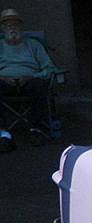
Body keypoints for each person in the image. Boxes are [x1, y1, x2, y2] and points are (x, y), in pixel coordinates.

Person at [0, 8, 57, 138]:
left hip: (29, 81)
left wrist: (31, 76)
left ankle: (36, 129)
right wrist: (2, 77)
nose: (12, 28)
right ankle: (2, 131)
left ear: (21, 27)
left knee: (40, 85)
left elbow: (49, 68)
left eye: (15, 25)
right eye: (8, 25)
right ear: (3, 28)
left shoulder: (34, 45)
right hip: (3, 82)